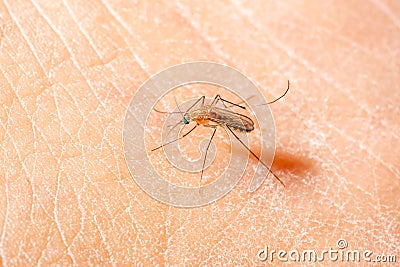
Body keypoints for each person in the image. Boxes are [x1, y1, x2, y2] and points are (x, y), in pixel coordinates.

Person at [0, 0, 398, 265]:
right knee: (215, 110)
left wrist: (186, 132)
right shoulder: (199, 110)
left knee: (230, 134)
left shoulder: (204, 118)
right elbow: (204, 107)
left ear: (195, 117)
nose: (191, 121)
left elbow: (211, 119)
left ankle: (269, 162)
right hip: (224, 112)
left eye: (189, 119)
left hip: (236, 119)